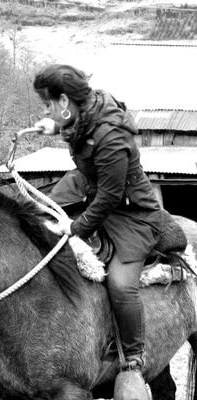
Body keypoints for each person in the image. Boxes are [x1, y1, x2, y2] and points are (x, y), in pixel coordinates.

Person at [33, 64, 162, 398]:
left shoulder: (112, 135)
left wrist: (76, 228)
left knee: (121, 285)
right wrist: (53, 125)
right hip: (94, 192)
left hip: (131, 214)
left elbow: (110, 196)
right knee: (39, 215)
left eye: (48, 104)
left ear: (64, 99)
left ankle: (133, 359)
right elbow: (77, 134)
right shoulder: (84, 114)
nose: (45, 110)